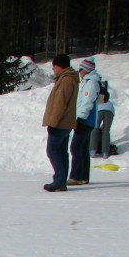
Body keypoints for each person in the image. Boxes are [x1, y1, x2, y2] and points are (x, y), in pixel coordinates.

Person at [41, 54, 79, 192]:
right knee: (61, 151)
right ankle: (60, 180)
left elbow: (60, 104)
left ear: (59, 65)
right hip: (66, 122)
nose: (53, 69)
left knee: (53, 150)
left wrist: (53, 123)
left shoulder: (66, 81)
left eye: (54, 66)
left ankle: (59, 180)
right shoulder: (67, 79)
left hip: (61, 123)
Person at [69, 57, 101, 185]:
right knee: (82, 148)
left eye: (81, 69)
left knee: (75, 147)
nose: (79, 72)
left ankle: (76, 176)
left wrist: (80, 117)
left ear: (86, 70)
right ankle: (83, 177)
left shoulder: (91, 83)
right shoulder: (88, 82)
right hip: (88, 120)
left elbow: (87, 102)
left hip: (86, 120)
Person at [91, 81, 115, 159]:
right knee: (106, 131)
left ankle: (92, 150)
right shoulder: (106, 95)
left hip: (99, 109)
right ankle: (105, 152)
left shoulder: (97, 92)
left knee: (95, 129)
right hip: (110, 110)